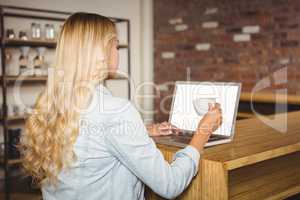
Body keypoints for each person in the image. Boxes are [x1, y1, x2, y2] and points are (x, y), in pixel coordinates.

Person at [20, 12, 222, 200]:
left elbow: (90, 138)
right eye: (116, 46)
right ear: (100, 52)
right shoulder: (116, 111)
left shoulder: (54, 102)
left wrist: (141, 130)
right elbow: (170, 184)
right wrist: (203, 132)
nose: (118, 53)